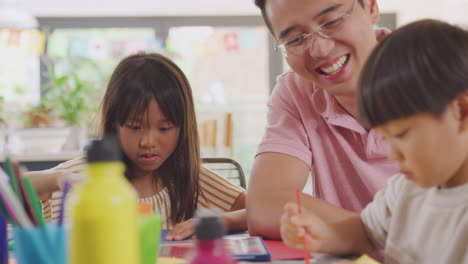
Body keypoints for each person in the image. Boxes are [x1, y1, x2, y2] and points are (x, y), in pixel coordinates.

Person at [280, 19, 468, 263]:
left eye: (401, 135)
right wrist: (324, 235)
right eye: (386, 137)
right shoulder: (408, 189)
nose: (393, 154)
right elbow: (365, 232)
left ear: (462, 111)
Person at [29, 53, 247, 240]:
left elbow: (264, 211)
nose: (148, 142)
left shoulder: (191, 178)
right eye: (135, 127)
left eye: (164, 128)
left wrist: (221, 221)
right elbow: (10, 190)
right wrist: (55, 180)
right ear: (115, 124)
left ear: (183, 128)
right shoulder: (81, 177)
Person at [247, 0, 398, 239]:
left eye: (331, 21)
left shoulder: (441, 74)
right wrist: (383, 237)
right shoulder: (296, 91)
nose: (320, 50)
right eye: (295, 39)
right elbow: (266, 206)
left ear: (370, 7)